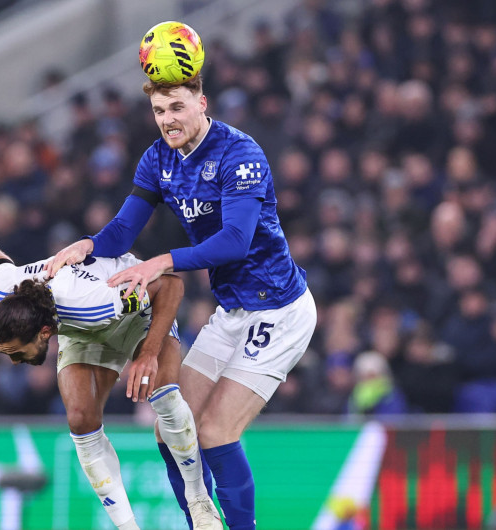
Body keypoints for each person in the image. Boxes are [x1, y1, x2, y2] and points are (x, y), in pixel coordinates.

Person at [46, 74, 317, 530]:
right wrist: (88, 245)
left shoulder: (240, 153)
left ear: (201, 104)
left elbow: (235, 241)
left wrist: (161, 262)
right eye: (159, 111)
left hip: (280, 310)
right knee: (169, 428)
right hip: (232, 312)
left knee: (214, 432)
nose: (167, 119)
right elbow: (123, 231)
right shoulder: (158, 159)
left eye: (176, 107)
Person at [0, 243, 220, 530]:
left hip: (134, 316)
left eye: (16, 352)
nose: (14, 362)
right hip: (80, 328)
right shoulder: (4, 290)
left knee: (164, 395)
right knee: (80, 418)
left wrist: (147, 353)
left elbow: (170, 286)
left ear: (44, 333)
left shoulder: (94, 302)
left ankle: (199, 501)